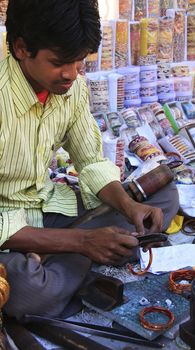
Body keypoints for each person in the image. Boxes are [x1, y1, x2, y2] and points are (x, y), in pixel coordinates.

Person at [0, 0, 179, 320]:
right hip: (7, 231)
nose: (71, 74)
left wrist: (128, 206)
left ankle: (72, 259)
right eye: (59, 63)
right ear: (21, 48)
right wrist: (82, 240)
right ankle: (92, 254)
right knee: (25, 290)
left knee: (163, 194)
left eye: (80, 61)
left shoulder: (72, 87)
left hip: (47, 207)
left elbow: (91, 161)